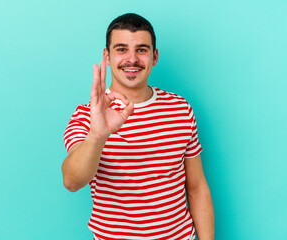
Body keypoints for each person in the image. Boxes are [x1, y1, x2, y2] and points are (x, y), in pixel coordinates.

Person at [62, 13, 214, 240]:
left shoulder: (180, 108)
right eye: (121, 49)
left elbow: (197, 187)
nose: (131, 59)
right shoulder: (87, 116)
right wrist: (98, 135)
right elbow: (72, 181)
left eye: (141, 50)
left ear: (154, 57)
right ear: (107, 56)